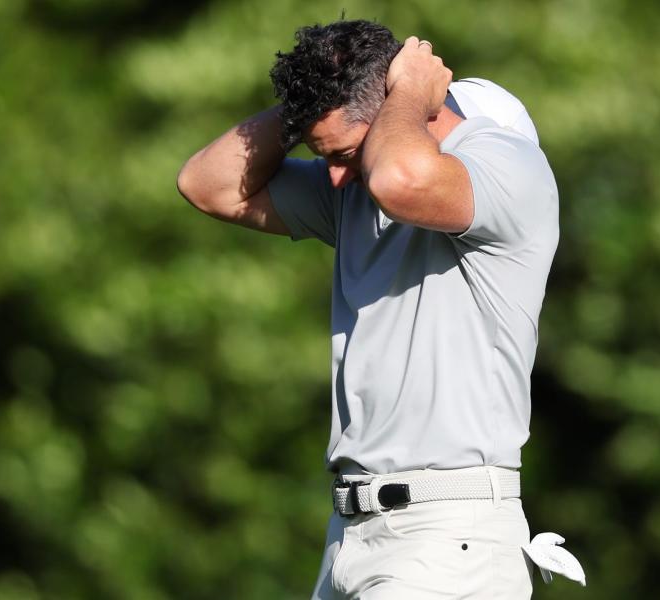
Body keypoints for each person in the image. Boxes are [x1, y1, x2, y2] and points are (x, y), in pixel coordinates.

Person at [177, 19, 584, 600]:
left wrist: (412, 92)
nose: (334, 176)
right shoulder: (356, 183)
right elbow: (207, 184)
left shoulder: (505, 166)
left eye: (342, 153)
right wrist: (312, 104)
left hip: (448, 540)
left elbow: (399, 177)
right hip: (351, 537)